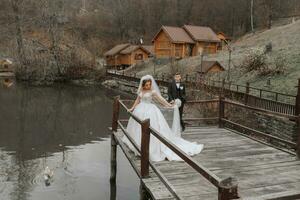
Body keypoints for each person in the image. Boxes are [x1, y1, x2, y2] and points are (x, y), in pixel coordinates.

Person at [122, 75, 203, 162]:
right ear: (143, 85)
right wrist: (132, 108)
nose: (148, 86)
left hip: (150, 111)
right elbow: (137, 100)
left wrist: (169, 105)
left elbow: (161, 100)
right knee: (137, 127)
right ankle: (137, 144)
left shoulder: (152, 92)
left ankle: (152, 147)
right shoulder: (141, 91)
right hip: (140, 109)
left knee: (152, 127)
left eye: (149, 84)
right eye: (146, 85)